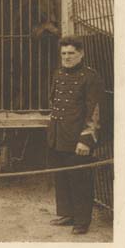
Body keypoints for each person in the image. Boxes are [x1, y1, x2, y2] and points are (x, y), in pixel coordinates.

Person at [47, 36, 105, 235]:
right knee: (62, 177)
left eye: (71, 53)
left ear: (81, 54)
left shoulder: (91, 77)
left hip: (78, 138)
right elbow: (54, 102)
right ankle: (67, 213)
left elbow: (95, 110)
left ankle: (82, 221)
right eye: (63, 53)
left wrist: (86, 139)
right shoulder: (58, 74)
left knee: (80, 179)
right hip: (59, 135)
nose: (67, 57)